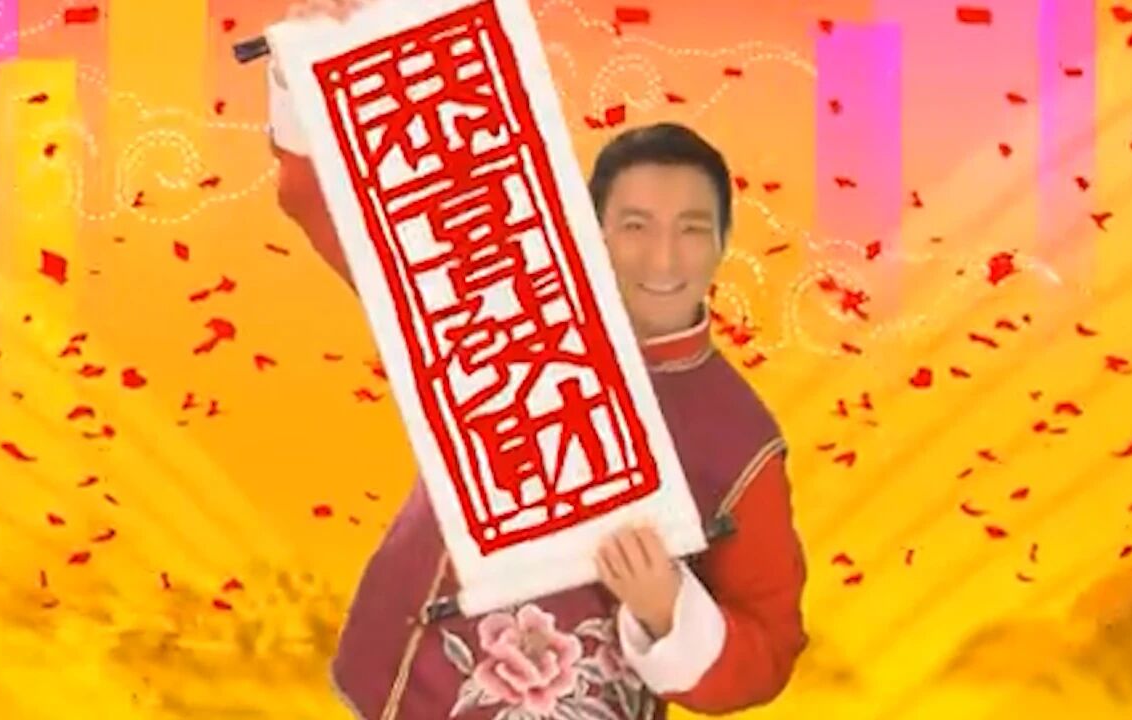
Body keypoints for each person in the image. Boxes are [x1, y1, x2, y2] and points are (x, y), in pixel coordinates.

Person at [269, 2, 808, 717]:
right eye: (635, 226)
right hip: (384, 685)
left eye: (691, 229)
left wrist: (668, 610)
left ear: (721, 244)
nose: (663, 258)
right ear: (593, 230)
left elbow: (768, 651)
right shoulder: (497, 299)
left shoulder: (740, 436)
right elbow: (330, 205)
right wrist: (311, 53)